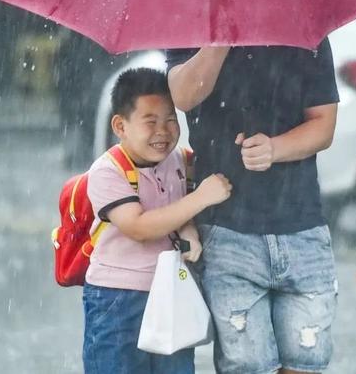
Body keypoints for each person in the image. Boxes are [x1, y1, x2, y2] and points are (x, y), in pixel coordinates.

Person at [166, 41, 339, 374]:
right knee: (247, 366)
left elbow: (323, 123)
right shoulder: (193, 18)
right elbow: (183, 95)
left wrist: (275, 148)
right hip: (228, 232)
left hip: (303, 228)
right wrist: (219, 41)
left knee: (307, 363)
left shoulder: (302, 26)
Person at [82, 67, 232, 374]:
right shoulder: (106, 171)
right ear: (120, 125)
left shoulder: (178, 160)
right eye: (150, 122)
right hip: (116, 299)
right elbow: (139, 227)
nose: (163, 131)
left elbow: (180, 204)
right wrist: (200, 198)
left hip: (168, 294)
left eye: (170, 120)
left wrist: (188, 225)